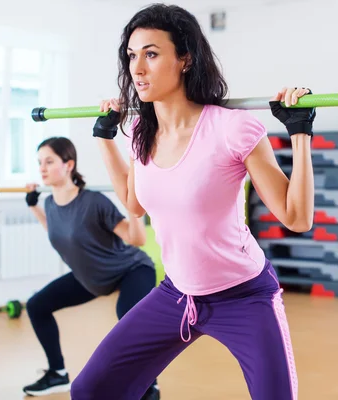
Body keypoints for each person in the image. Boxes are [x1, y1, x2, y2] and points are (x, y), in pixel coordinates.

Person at [71, 3, 315, 400]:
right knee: (92, 389)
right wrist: (104, 139)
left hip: (244, 296)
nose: (137, 68)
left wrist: (300, 133)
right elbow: (134, 204)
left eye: (151, 54)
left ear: (185, 58)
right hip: (177, 294)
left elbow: (296, 217)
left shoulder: (234, 128)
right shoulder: (140, 133)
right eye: (132, 56)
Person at [21, 136, 160, 399]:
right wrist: (33, 207)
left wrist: (133, 199)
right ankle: (57, 374)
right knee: (37, 305)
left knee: (128, 317)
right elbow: (57, 232)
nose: (42, 168)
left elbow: (137, 239)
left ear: (69, 164)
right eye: (40, 162)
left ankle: (149, 384)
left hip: (130, 269)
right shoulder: (51, 204)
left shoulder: (94, 202)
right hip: (92, 277)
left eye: (49, 161)